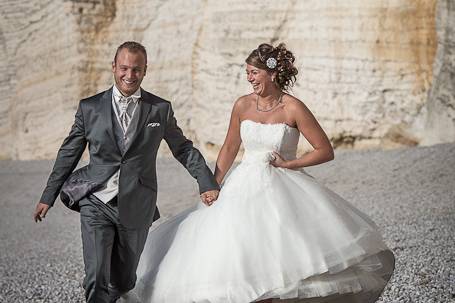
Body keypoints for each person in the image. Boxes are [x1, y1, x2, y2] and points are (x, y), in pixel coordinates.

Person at [126, 43, 395, 303]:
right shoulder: (242, 105)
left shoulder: (293, 107)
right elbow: (230, 147)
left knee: (283, 255)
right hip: (243, 184)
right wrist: (213, 183)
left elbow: (325, 149)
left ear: (272, 73)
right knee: (235, 251)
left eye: (254, 73)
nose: (250, 78)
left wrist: (291, 164)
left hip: (285, 187)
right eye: (247, 73)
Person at [33, 41, 220, 303]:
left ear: (145, 71)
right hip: (95, 200)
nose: (129, 76)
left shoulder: (159, 109)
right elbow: (68, 153)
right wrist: (47, 195)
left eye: (136, 70)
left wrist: (206, 181)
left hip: (137, 203)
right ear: (113, 67)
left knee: (123, 280)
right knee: (96, 276)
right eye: (124, 68)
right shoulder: (90, 108)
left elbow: (183, 149)